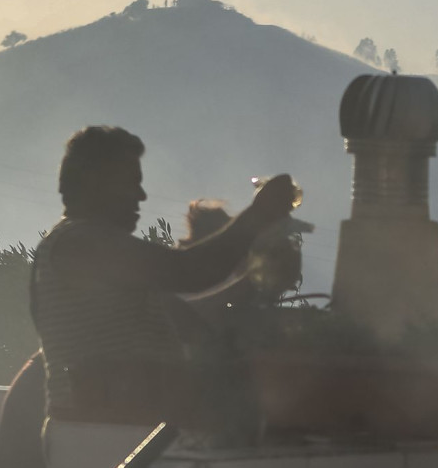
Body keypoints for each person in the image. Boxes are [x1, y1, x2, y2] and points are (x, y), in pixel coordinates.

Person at [30, 125, 298, 421]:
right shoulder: (80, 243)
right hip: (96, 436)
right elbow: (188, 271)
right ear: (96, 181)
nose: (141, 195)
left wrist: (254, 281)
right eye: (131, 182)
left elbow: (190, 318)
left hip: (116, 431)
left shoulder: (93, 251)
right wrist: (258, 214)